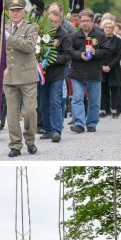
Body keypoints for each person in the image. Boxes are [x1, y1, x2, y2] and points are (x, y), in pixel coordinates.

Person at [3, 0, 40, 157]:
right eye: (12, 10)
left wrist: (8, 37)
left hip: (27, 76)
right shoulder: (3, 27)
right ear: (8, 12)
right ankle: (15, 145)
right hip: (9, 75)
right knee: (12, 114)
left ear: (24, 11)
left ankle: (30, 141)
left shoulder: (32, 27)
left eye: (18, 10)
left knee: (30, 111)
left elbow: (29, 47)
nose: (15, 13)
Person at [68, 9, 110, 135]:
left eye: (87, 21)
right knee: (77, 98)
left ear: (92, 22)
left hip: (94, 73)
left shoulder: (100, 35)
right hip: (77, 73)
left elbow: (107, 51)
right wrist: (79, 55)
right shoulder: (74, 36)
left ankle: (91, 123)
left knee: (94, 100)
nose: (84, 23)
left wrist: (95, 52)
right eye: (82, 21)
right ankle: (79, 123)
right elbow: (69, 51)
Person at [40, 10, 73, 143]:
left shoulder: (64, 37)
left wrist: (51, 59)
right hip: (42, 74)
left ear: (60, 22)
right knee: (43, 103)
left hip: (57, 75)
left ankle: (56, 131)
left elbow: (68, 56)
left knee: (55, 102)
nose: (53, 23)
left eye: (55, 21)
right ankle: (47, 129)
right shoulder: (41, 35)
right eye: (51, 21)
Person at [100, 20, 121, 118]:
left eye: (110, 27)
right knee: (103, 89)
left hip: (114, 68)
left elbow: (119, 55)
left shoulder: (118, 40)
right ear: (103, 28)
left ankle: (114, 109)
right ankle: (104, 110)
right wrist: (102, 66)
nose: (108, 29)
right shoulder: (100, 39)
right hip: (102, 68)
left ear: (113, 29)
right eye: (106, 27)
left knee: (114, 89)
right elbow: (98, 52)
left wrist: (109, 66)